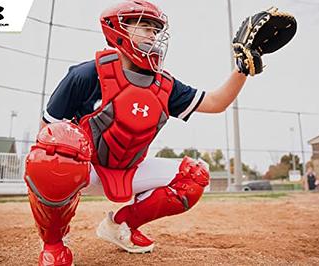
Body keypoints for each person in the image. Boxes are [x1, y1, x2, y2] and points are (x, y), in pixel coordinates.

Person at [24, 1, 290, 265]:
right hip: (88, 170)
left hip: (129, 168)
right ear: (119, 29)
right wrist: (61, 167)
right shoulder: (86, 75)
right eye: (145, 26)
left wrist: (242, 69)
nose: (154, 34)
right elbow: (45, 133)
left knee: (195, 177)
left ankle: (121, 226)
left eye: (156, 29)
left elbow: (215, 103)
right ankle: (54, 242)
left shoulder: (165, 84)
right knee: (52, 151)